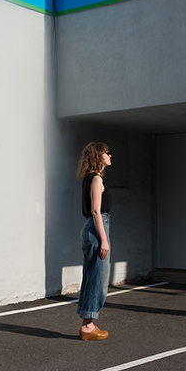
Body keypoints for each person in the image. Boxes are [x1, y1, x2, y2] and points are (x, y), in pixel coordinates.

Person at [76, 142, 112, 340]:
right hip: (97, 229)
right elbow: (96, 211)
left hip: (91, 229)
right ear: (98, 156)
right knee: (98, 278)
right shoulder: (96, 179)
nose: (110, 155)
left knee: (91, 276)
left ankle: (86, 323)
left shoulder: (88, 178)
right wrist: (104, 239)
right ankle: (88, 326)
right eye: (107, 152)